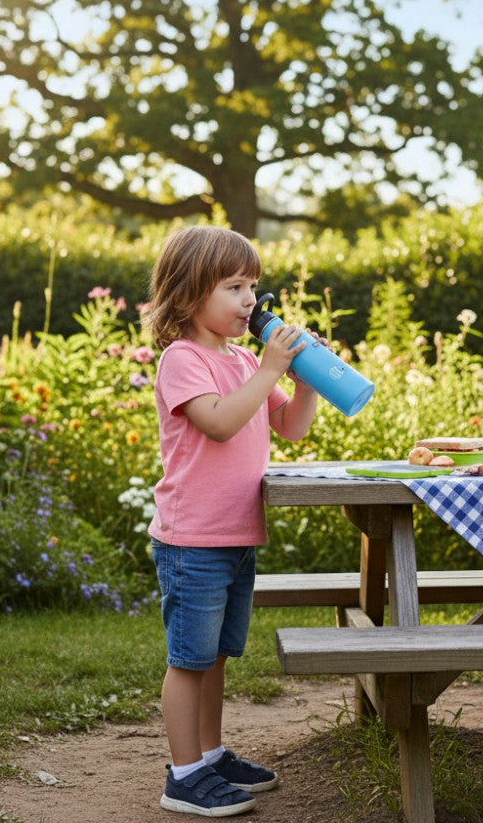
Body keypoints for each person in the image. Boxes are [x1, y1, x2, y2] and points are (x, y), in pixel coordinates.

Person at [142, 224, 321, 817]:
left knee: (216, 656)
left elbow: (290, 427)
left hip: (236, 536)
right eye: (235, 286)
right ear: (191, 294)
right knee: (188, 659)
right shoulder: (183, 359)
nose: (251, 300)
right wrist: (268, 371)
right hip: (192, 539)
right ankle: (183, 775)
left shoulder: (244, 358)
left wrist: (306, 379)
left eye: (254, 286)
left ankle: (210, 754)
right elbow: (218, 421)